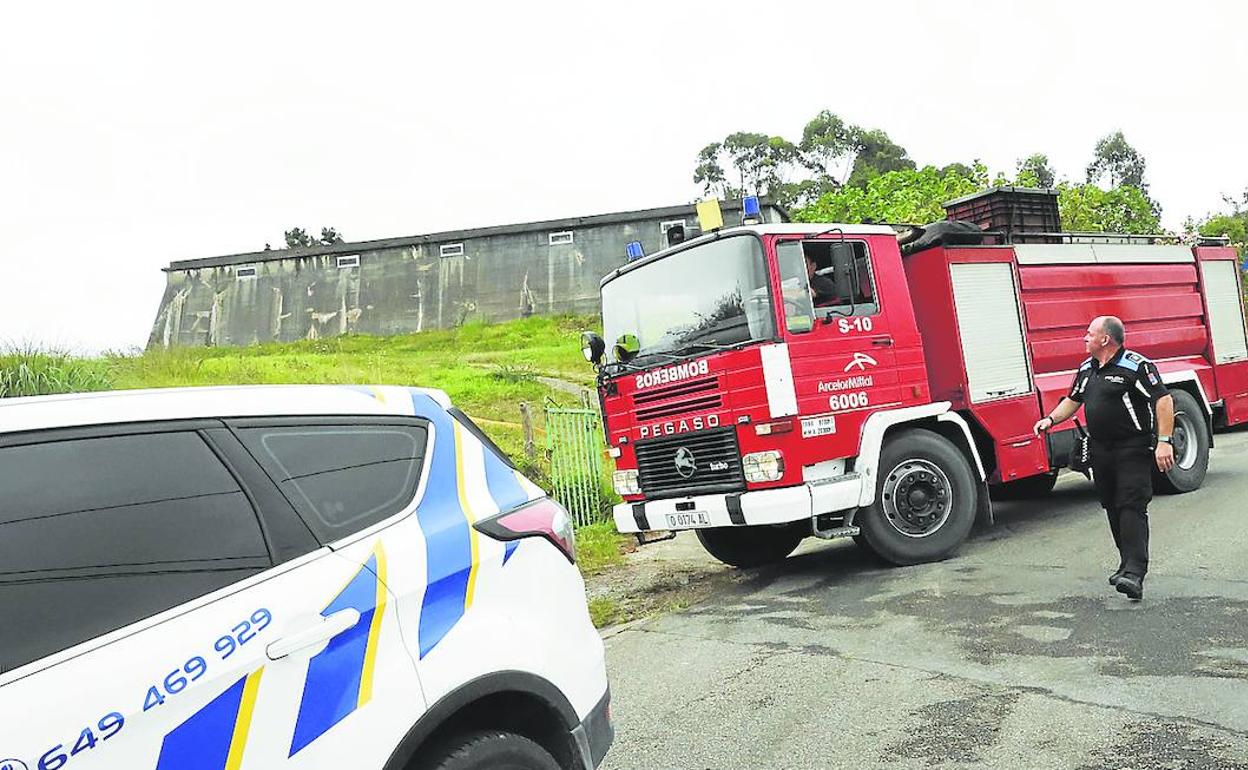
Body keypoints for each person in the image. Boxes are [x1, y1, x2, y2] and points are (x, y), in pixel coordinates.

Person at [1033, 316, 1175, 601]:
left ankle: (1135, 573)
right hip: (1101, 449)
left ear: (1105, 339)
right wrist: (1050, 419)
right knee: (1112, 504)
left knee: (1131, 504)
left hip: (1132, 447)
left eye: (1089, 333)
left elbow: (1163, 400)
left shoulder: (1136, 366)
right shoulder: (1086, 369)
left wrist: (1164, 442)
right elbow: (1074, 400)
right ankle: (1125, 565)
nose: (1084, 338)